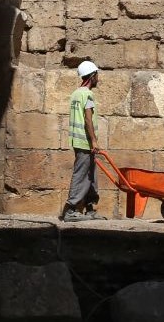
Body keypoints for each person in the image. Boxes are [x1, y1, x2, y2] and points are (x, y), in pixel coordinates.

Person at [60, 60, 102, 222]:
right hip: (85, 142)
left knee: (92, 175)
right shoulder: (88, 94)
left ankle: (90, 208)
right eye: (97, 75)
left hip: (79, 141)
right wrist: (94, 141)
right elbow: (88, 119)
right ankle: (70, 210)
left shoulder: (76, 93)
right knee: (81, 175)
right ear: (92, 76)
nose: (99, 78)